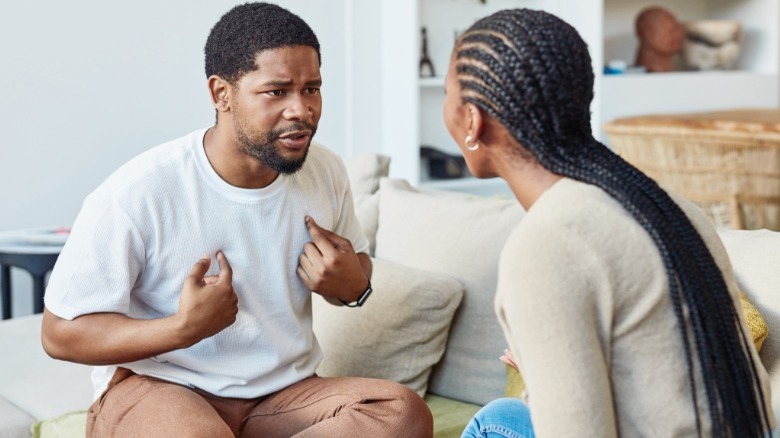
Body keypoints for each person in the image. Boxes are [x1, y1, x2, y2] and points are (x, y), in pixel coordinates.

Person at [40, 3, 432, 437]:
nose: (301, 110)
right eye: (276, 91)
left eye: (312, 89)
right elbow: (59, 334)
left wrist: (352, 284)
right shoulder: (139, 191)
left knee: (400, 412)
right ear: (220, 94)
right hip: (160, 386)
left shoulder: (327, 171)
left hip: (281, 396)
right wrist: (182, 329)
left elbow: (357, 268)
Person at [443, 8, 774, 438]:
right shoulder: (670, 207)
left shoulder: (546, 245)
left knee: (494, 422)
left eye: (450, 94)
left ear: (472, 120)